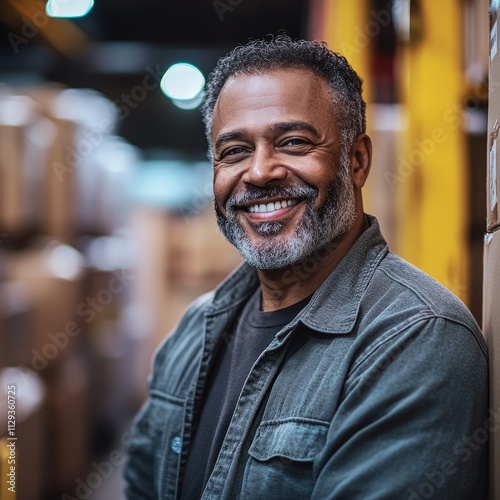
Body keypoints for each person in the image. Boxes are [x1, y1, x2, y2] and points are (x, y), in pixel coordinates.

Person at [124, 35, 488, 499]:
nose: (259, 172)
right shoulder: (196, 329)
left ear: (356, 161)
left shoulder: (416, 339)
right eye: (234, 151)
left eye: (293, 142)